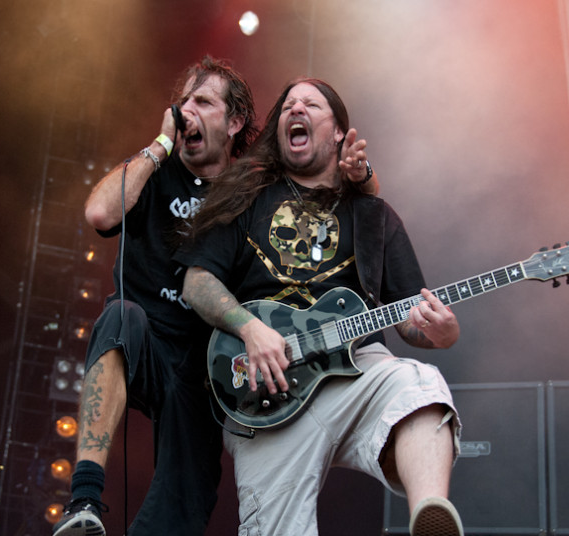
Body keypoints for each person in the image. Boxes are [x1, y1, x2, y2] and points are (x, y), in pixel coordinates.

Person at [54, 59, 377, 536]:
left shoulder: (252, 187)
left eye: (202, 102)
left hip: (210, 367)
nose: (187, 111)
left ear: (234, 122)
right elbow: (101, 214)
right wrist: (160, 144)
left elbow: (340, 195)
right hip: (148, 339)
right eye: (183, 101)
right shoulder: (153, 171)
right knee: (119, 318)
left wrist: (363, 176)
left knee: (185, 504)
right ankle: (84, 499)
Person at [177, 78, 465, 536]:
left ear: (338, 134)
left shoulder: (374, 215)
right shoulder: (246, 197)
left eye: (311, 103)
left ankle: (430, 516)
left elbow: (413, 318)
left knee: (419, 385)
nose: (296, 108)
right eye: (288, 104)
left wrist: (440, 333)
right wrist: (250, 330)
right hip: (263, 391)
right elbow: (197, 282)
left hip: (354, 372)